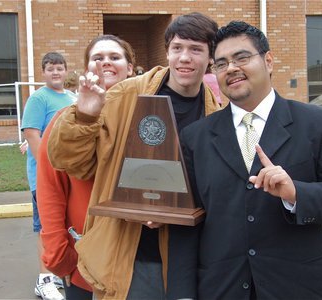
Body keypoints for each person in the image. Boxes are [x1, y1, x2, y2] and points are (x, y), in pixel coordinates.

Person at [179, 20, 322, 299]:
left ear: (268, 61)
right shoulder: (196, 137)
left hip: (298, 287)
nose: (231, 68)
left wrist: (296, 193)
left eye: (241, 57)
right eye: (221, 63)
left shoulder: (317, 124)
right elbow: (189, 222)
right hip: (222, 287)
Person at [47, 12, 220, 300]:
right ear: (167, 52)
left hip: (193, 258)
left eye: (196, 49)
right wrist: (85, 117)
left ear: (210, 58)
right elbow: (72, 163)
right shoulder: (125, 96)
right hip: (132, 256)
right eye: (177, 48)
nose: (184, 58)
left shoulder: (217, 111)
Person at [36, 35, 136, 300]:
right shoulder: (64, 120)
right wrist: (59, 256)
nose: (106, 63)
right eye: (97, 58)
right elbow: (50, 191)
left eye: (115, 57)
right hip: (83, 261)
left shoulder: (147, 118)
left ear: (131, 68)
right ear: (87, 69)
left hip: (137, 259)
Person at [21, 52, 76, 300]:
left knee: (67, 226)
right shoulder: (38, 99)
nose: (56, 73)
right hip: (46, 179)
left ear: (66, 71)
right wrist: (49, 171)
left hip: (70, 176)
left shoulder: (73, 98)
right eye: (51, 69)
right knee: (48, 227)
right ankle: (43, 280)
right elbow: (33, 136)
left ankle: (56, 272)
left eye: (59, 68)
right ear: (44, 72)